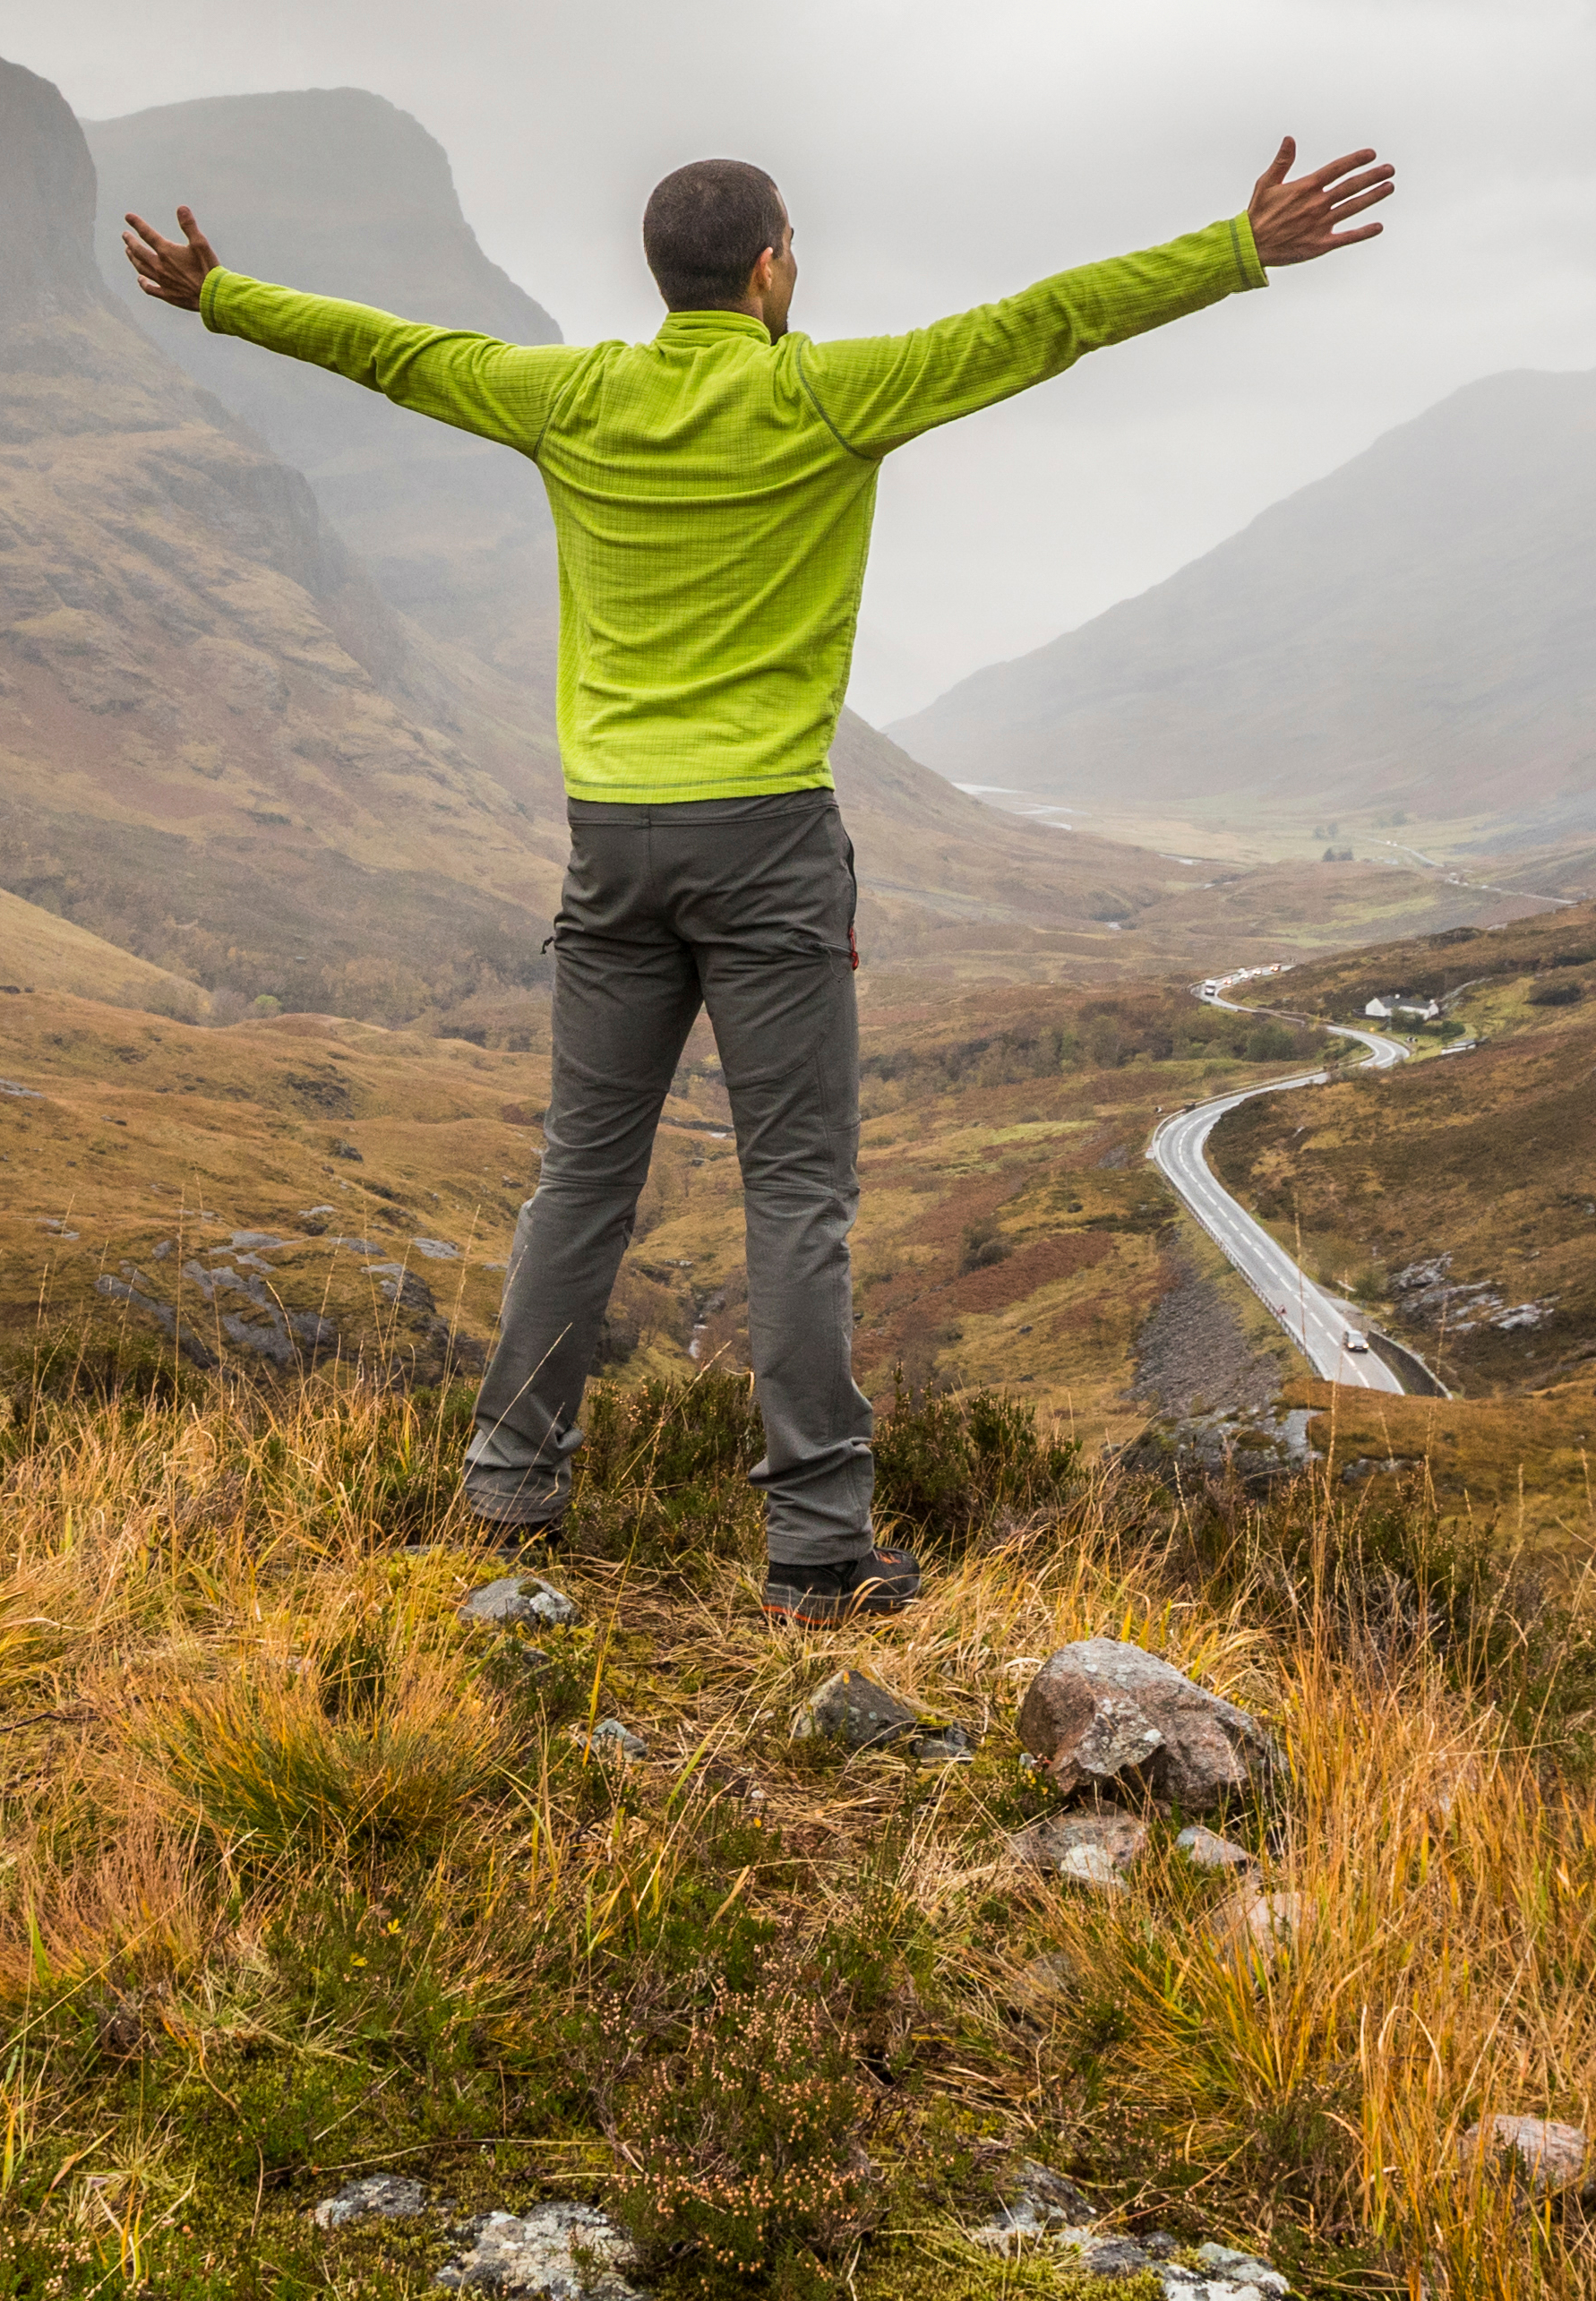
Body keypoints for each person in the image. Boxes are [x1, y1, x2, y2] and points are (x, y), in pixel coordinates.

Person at [119, 137, 1397, 1620]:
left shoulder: (569, 397)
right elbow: (1048, 321)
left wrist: (222, 298)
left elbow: (395, 354)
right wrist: (1236, 251)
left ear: (665, 276)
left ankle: (510, 1496)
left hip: (613, 845)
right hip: (773, 847)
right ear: (773, 268)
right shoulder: (828, 394)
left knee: (581, 1176)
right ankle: (815, 1551)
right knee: (796, 1190)